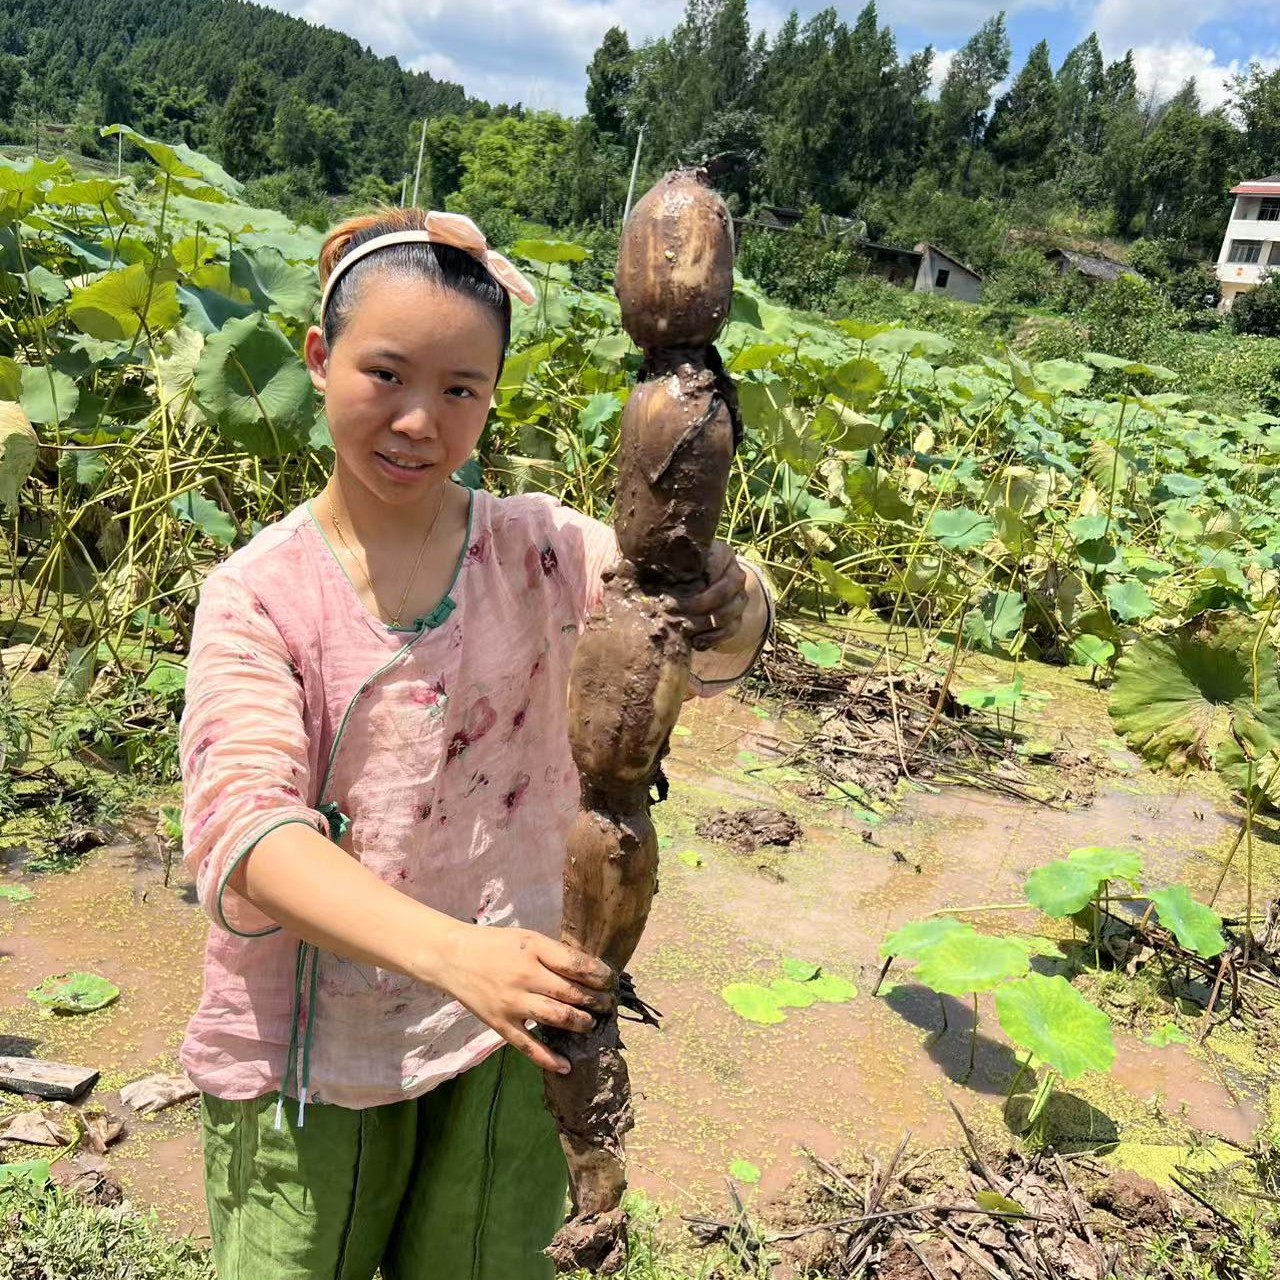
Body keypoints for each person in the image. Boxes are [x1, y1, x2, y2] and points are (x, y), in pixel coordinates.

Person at [179, 207, 773, 1280]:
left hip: (511, 1020)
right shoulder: (260, 597)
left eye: (460, 389)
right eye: (387, 375)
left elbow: (706, 638)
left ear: (492, 394)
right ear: (318, 359)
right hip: (318, 1050)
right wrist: (458, 956)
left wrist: (723, 596)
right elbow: (249, 835)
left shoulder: (535, 549)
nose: (418, 419)